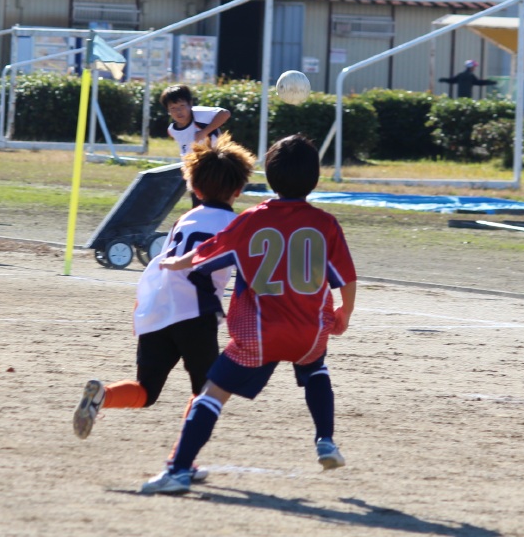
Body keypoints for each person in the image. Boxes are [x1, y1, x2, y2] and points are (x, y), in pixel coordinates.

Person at [138, 133, 358, 495]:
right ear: (316, 180)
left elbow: (210, 250)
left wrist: (176, 262)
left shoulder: (252, 219)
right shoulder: (326, 224)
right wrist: (345, 312)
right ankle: (325, 440)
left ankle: (178, 471)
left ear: (268, 177)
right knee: (315, 367)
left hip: (259, 334)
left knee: (211, 394)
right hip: (309, 332)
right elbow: (346, 278)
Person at [71, 134, 256, 484]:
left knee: (146, 390)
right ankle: (181, 459)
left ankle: (104, 396)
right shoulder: (235, 226)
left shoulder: (184, 219)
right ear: (238, 190)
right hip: (194, 312)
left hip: (156, 306)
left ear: (195, 188)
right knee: (209, 392)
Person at [161, 84, 231, 205]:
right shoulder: (172, 130)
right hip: (194, 172)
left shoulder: (199, 114)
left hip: (215, 166)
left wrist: (205, 131)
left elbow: (225, 114)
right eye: (173, 108)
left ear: (190, 104)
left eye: (182, 106)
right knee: (198, 205)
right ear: (168, 110)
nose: (179, 111)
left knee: (216, 204)